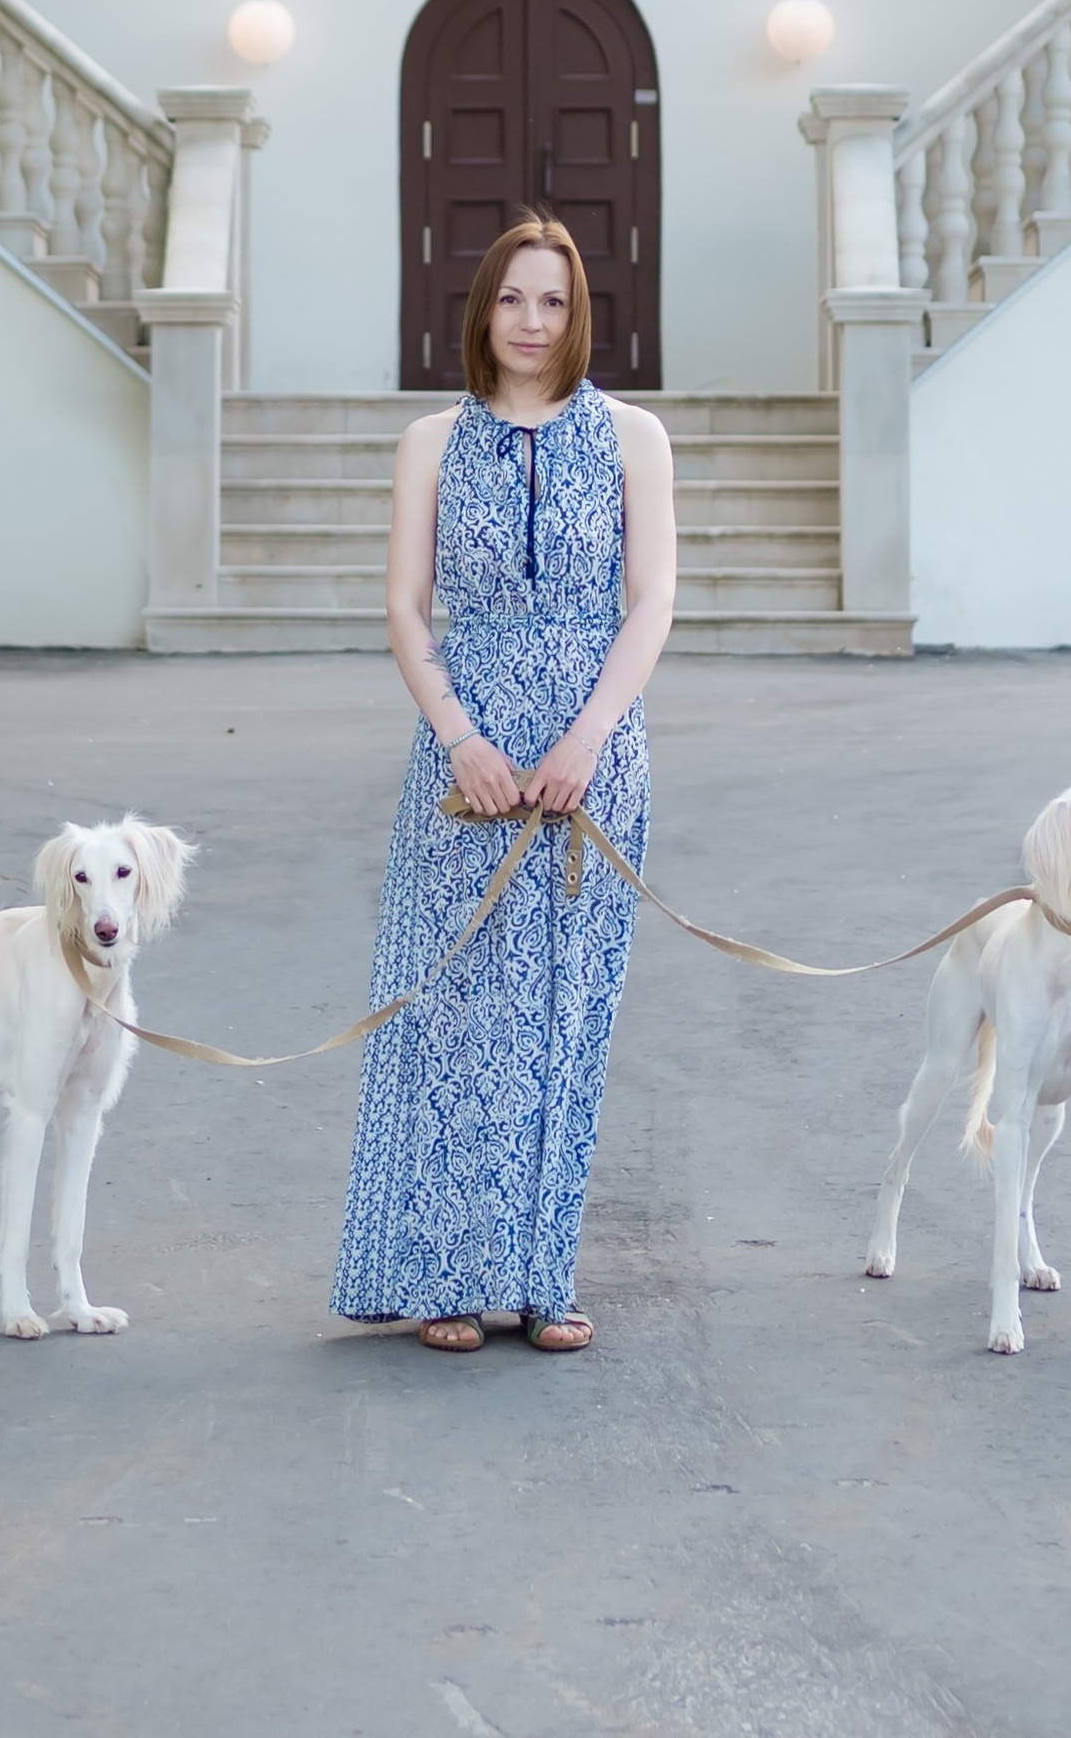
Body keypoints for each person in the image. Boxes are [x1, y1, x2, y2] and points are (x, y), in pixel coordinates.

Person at [331, 213, 677, 1354]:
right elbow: (403, 606)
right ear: (481, 309)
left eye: (555, 302)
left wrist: (586, 738)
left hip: (592, 758)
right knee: (455, 1010)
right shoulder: (430, 441)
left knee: (565, 1016)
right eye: (512, 299)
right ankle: (440, 1274)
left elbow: (650, 602)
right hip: (463, 758)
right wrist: (459, 740)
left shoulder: (633, 436)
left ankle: (541, 1277)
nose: (532, 323)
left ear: (580, 317)